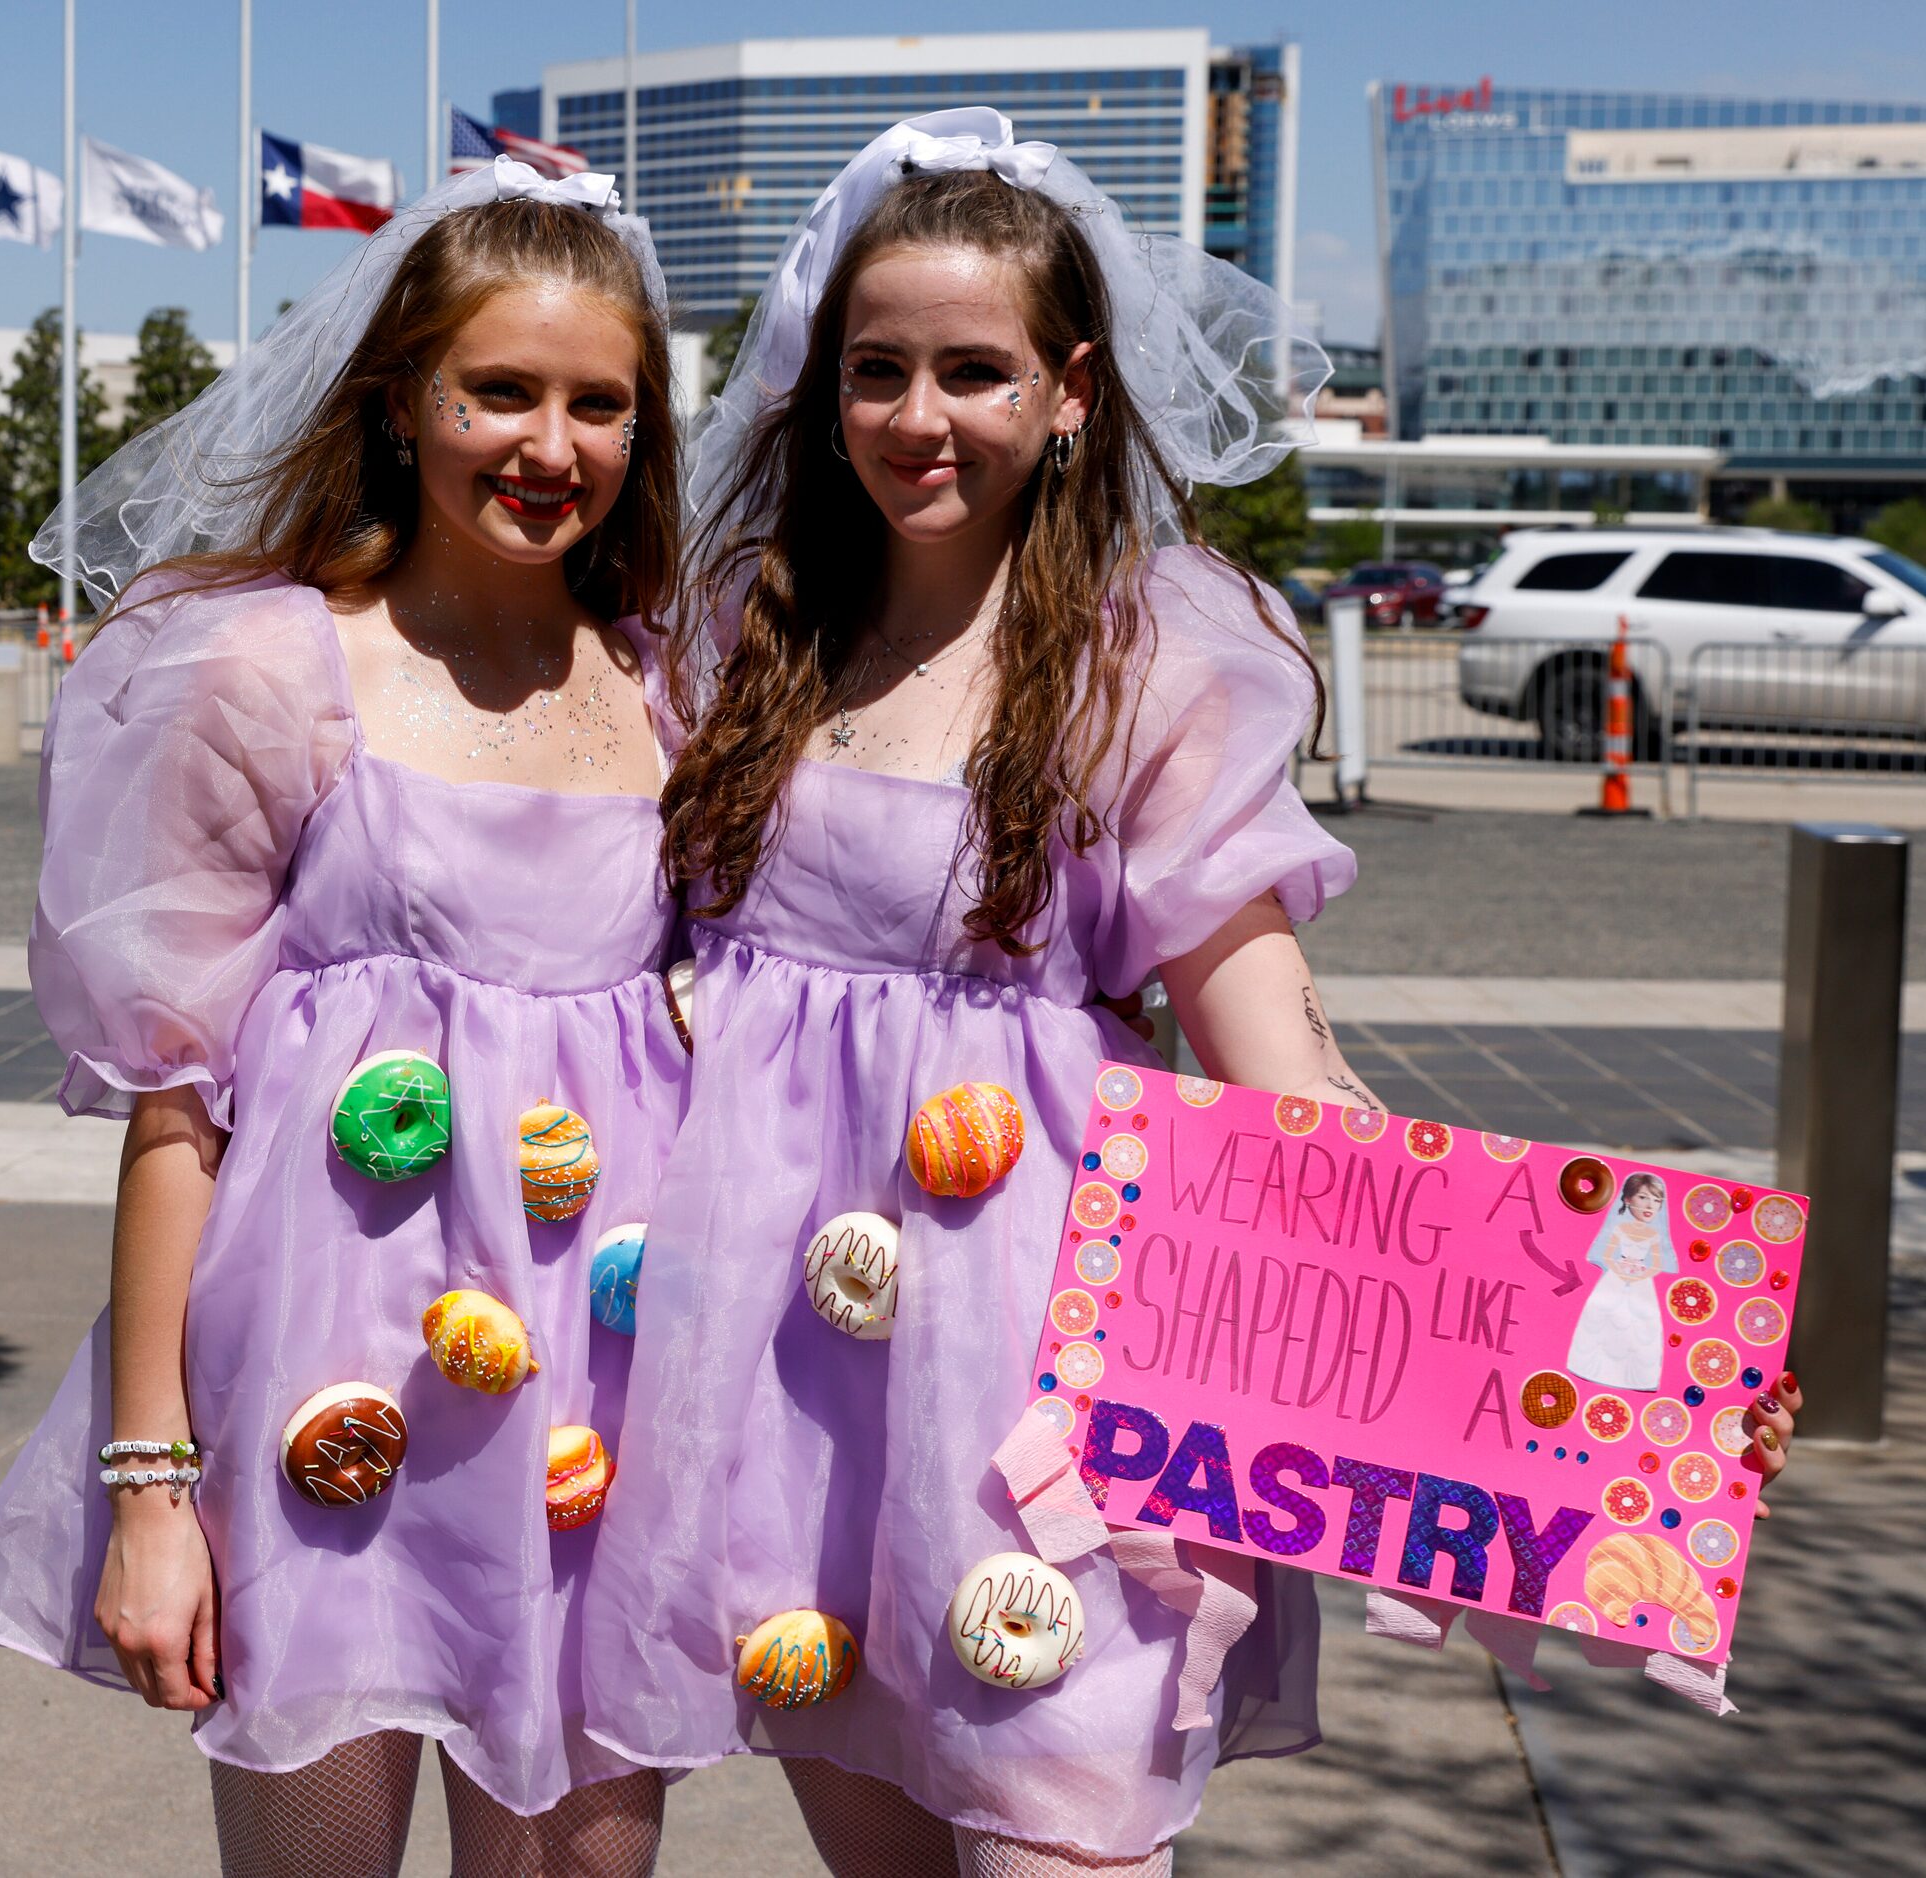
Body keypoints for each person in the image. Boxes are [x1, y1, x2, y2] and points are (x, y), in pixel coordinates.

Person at [582, 110, 1356, 1874]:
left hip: (1041, 1373)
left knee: (1060, 1832)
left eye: (973, 370)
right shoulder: (743, 636)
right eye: (876, 370)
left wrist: (1571, 1332)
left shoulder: (1149, 655)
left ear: (1070, 385)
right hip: (779, 1382)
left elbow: (1279, 1056)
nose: (917, 417)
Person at [0, 159, 684, 1877]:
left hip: (598, 1402)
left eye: (598, 404)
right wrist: (148, 1489)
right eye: (498, 389)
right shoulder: (267, 667)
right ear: (402, 398)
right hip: (316, 1400)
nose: (547, 444)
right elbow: (169, 1100)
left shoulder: (678, 683)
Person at [1566, 1172, 1678, 1389]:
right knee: (1602, 1319)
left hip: (1641, 1283)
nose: (1650, 1205)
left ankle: (1634, 1379)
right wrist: (1619, 1269)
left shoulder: (1654, 1236)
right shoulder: (1620, 1229)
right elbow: (1608, 1255)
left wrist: (1641, 1274)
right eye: (1643, 1197)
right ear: (1628, 1199)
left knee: (1640, 1325)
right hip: (1616, 1277)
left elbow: (1655, 1264)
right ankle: (1593, 1369)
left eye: (1656, 1201)